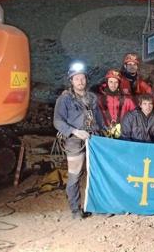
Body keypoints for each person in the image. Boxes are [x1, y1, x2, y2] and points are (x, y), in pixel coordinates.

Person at [53, 62, 104, 219]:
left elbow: (98, 119)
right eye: (76, 79)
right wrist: (75, 131)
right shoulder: (65, 99)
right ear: (71, 81)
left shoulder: (92, 98)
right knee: (75, 175)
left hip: (93, 139)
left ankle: (96, 207)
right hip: (75, 140)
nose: (80, 81)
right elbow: (58, 121)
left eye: (82, 78)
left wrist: (103, 132)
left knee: (95, 174)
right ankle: (76, 210)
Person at [97, 69, 135, 138]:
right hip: (104, 135)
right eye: (111, 82)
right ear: (106, 83)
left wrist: (126, 126)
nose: (113, 85)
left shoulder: (127, 100)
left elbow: (135, 116)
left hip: (124, 134)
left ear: (119, 84)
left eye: (116, 82)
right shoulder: (99, 100)